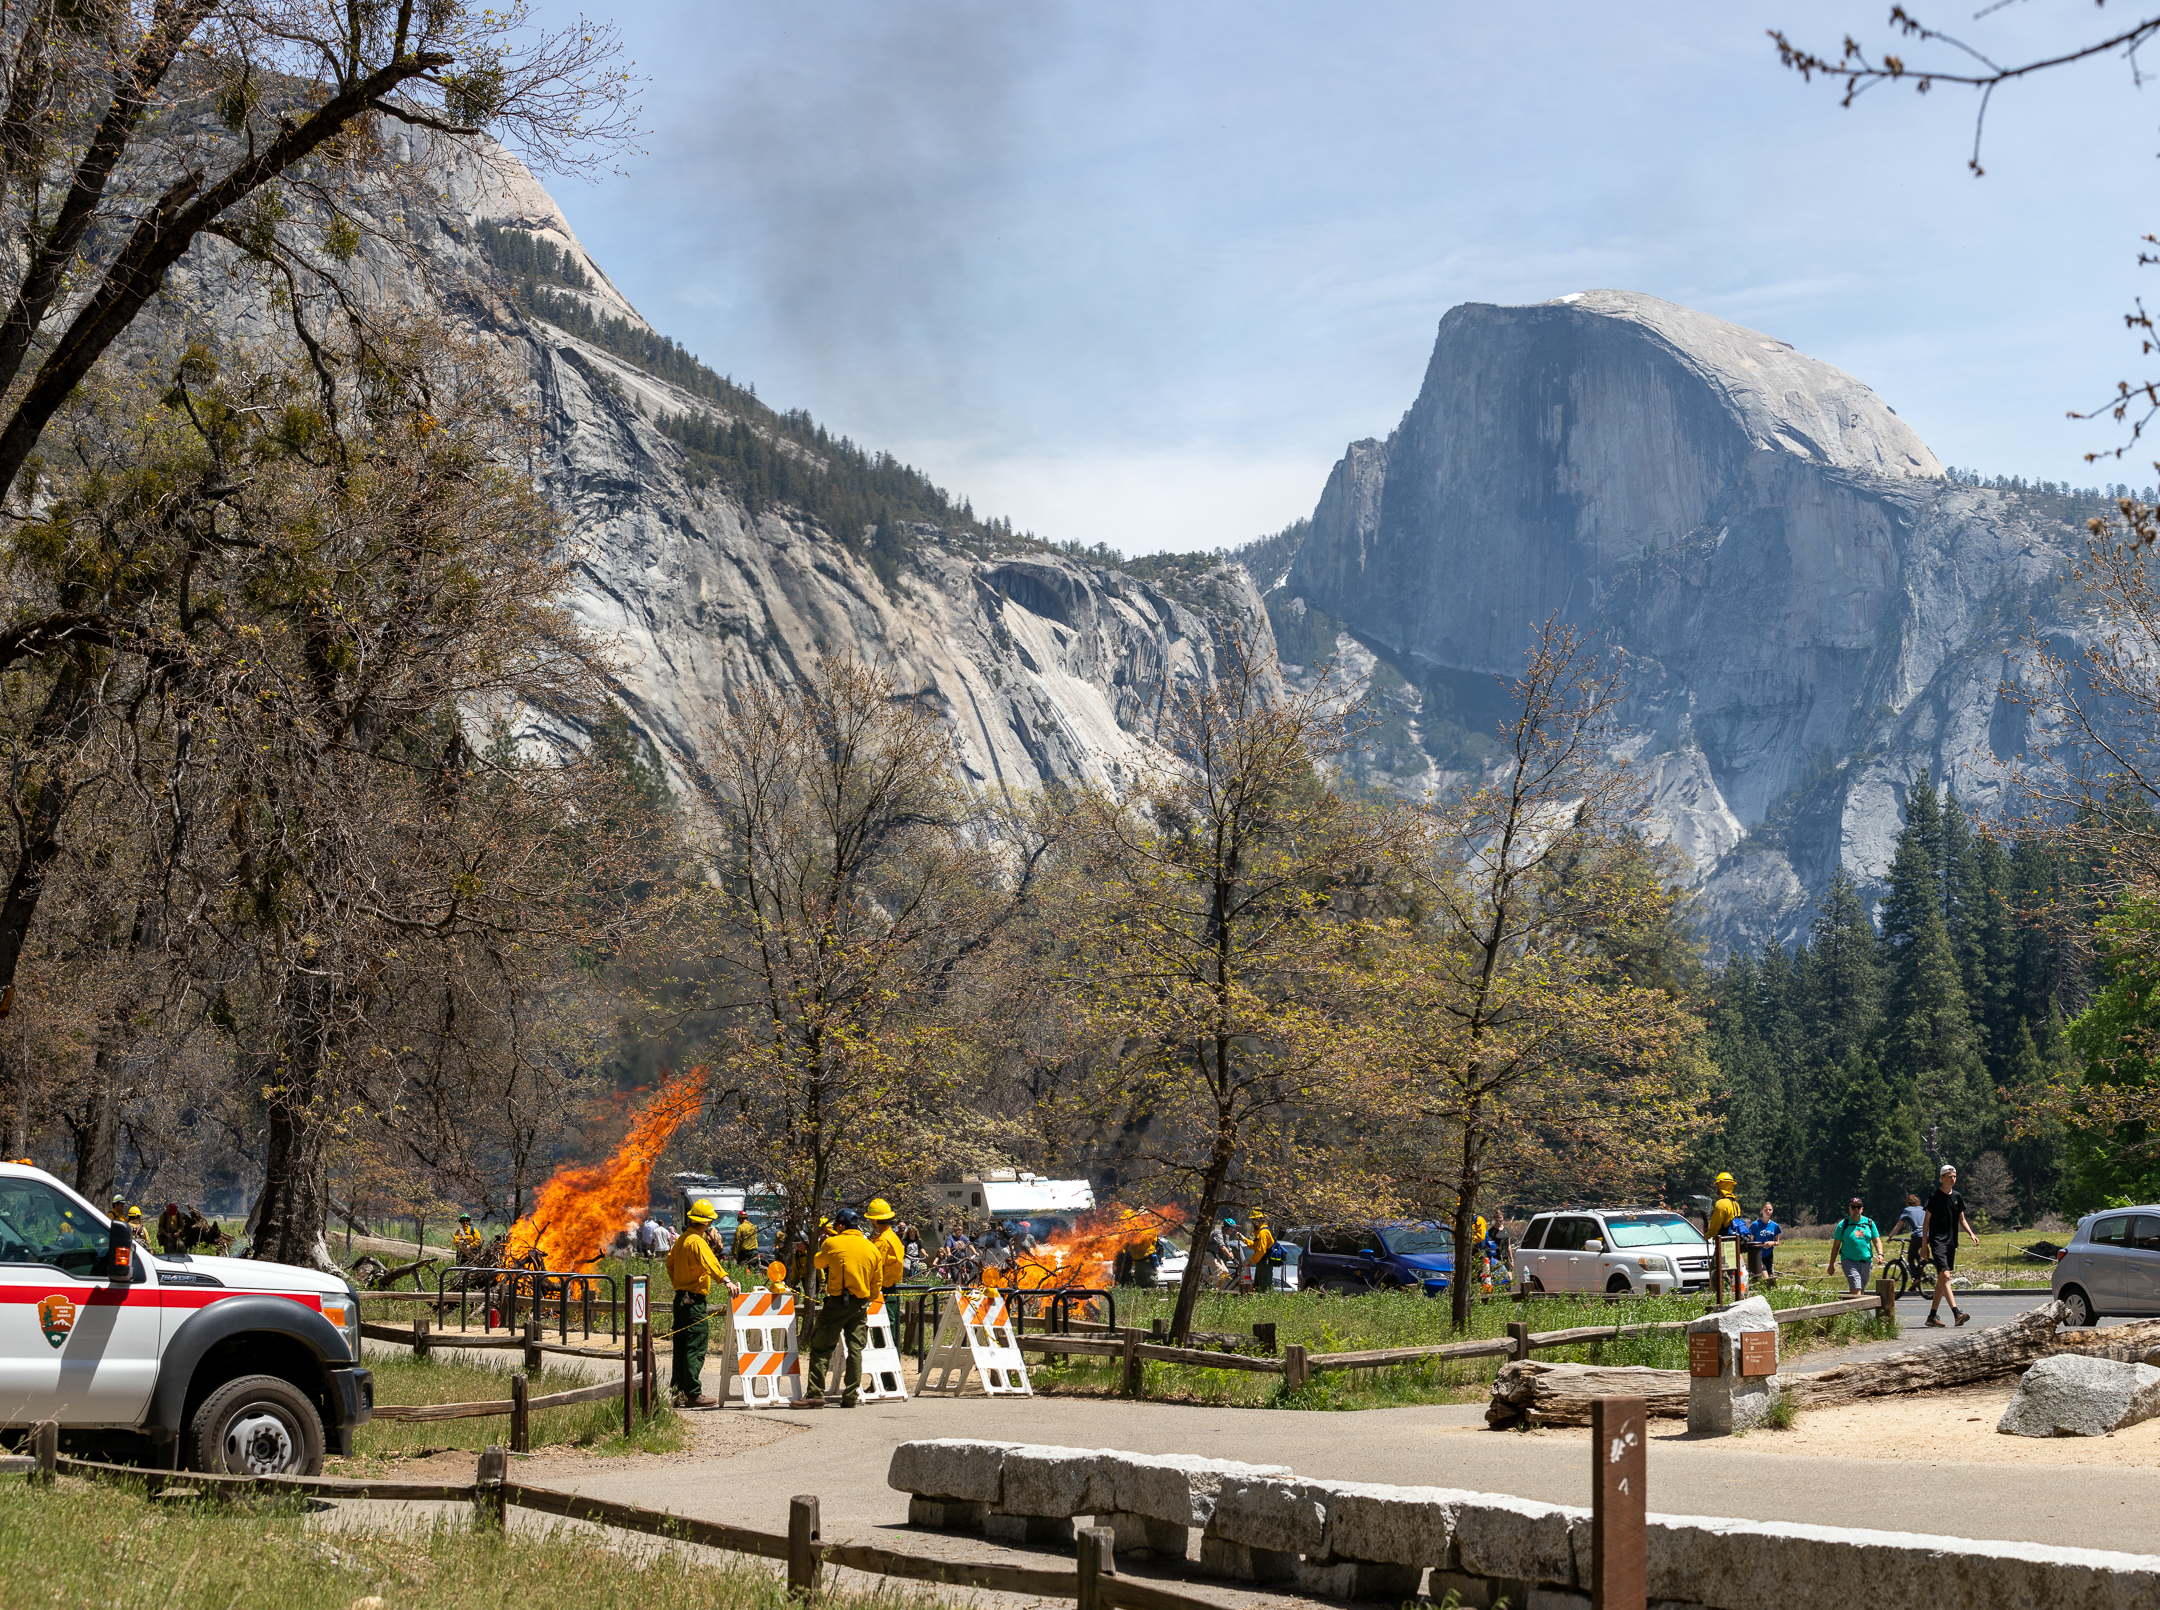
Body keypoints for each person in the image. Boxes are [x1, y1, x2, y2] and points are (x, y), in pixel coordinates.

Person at [799, 1209, 883, 1409]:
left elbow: (818, 1262)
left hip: (837, 1302)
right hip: (860, 1304)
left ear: (840, 1225)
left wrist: (823, 1244)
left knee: (821, 1346)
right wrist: (866, 1299)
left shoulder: (832, 1242)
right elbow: (877, 1281)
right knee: (855, 1349)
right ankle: (851, 1395)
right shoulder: (871, 1247)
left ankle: (815, 1393)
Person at [665, 1200, 738, 1408]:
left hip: (680, 1299)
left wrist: (679, 1282)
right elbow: (711, 1263)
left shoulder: (682, 1240)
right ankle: (693, 1394)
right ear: (707, 1222)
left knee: (680, 1347)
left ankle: (676, 1392)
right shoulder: (697, 1242)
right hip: (693, 1302)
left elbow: (669, 1264)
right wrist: (727, 1280)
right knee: (695, 1345)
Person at [1923, 1163, 1978, 1328]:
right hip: (1937, 1240)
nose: (1953, 1179)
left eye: (1954, 1176)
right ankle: (1957, 1313)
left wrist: (1971, 1234)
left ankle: (1932, 1316)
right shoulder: (1934, 1197)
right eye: (1949, 1177)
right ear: (1942, 1178)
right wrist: (1924, 1246)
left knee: (1941, 1279)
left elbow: (1962, 1219)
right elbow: (1926, 1222)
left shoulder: (1958, 1197)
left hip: (1951, 1241)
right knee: (1946, 1276)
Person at [1826, 1197, 1883, 1292]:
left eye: (1858, 1207)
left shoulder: (1869, 1223)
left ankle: (1856, 1306)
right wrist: (1831, 1265)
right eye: (1853, 1207)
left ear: (1862, 1209)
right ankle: (1857, 1305)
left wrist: (1880, 1254)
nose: (1856, 1209)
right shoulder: (1843, 1224)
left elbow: (1877, 1241)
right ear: (1849, 1209)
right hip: (1849, 1260)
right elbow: (1836, 1246)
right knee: (1856, 1289)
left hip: (1866, 1261)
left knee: (1861, 1289)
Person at [864, 1198, 905, 1296]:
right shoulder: (892, 1236)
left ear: (873, 1220)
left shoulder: (882, 1241)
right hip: (890, 1288)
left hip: (883, 1290)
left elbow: (873, 1267)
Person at [1750, 1202, 1782, 1287]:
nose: (1768, 1211)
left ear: (1772, 1211)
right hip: (1758, 1255)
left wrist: (1772, 1243)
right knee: (1765, 1277)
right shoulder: (1755, 1225)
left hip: (1769, 1255)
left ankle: (1770, 1296)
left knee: (1771, 1278)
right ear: (1762, 1211)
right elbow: (1750, 1241)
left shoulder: (1775, 1226)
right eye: (1766, 1209)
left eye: (1770, 1209)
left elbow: (1777, 1242)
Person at [1248, 1211, 1280, 1292]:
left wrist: (1251, 1259)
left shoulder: (1263, 1232)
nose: (1252, 1222)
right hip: (1261, 1262)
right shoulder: (1260, 1231)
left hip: (1265, 1262)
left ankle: (1267, 1303)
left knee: (1265, 1288)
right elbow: (1256, 1246)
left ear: (1259, 1220)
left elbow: (1261, 1251)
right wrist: (1244, 1240)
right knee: (1257, 1287)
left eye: (1253, 1220)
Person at [1894, 1192, 1927, 1269]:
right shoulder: (1923, 1209)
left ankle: (1915, 1278)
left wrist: (1890, 1236)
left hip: (1917, 1235)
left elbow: (1899, 1225)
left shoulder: (1907, 1210)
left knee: (1910, 1258)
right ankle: (1922, 1272)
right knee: (1916, 1253)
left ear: (1908, 1203)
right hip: (1928, 1234)